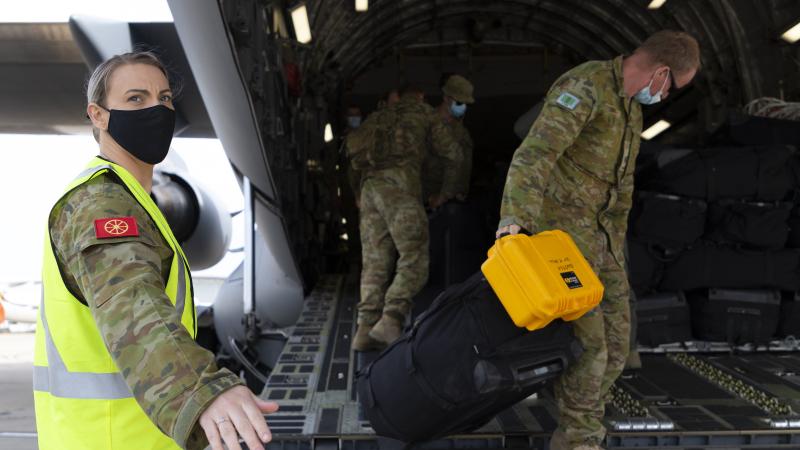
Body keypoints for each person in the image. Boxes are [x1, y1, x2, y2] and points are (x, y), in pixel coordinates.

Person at [33, 51, 278, 450]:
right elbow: (133, 305)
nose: (157, 109)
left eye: (163, 98)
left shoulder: (135, 201)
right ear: (98, 115)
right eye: (135, 98)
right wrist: (203, 390)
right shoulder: (100, 202)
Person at [496, 31, 700, 450]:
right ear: (661, 73)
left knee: (618, 343)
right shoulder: (586, 87)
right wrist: (515, 219)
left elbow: (621, 190)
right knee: (593, 347)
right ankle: (578, 437)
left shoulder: (630, 111)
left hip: (602, 242)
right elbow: (535, 154)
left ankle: (574, 407)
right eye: (673, 88)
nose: (667, 97)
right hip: (562, 243)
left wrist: (617, 251)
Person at [351, 85, 463, 351]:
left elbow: (354, 157)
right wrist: (446, 193)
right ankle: (391, 319)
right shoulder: (425, 114)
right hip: (400, 190)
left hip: (370, 190)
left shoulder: (380, 116)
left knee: (375, 261)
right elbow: (454, 155)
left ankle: (364, 328)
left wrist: (358, 192)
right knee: (415, 257)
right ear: (421, 97)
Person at [422, 74, 475, 204]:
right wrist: (441, 196)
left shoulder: (459, 127)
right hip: (431, 196)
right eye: (459, 102)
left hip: (454, 196)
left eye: (465, 103)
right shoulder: (429, 123)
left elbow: (465, 161)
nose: (463, 107)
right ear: (446, 98)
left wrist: (461, 190)